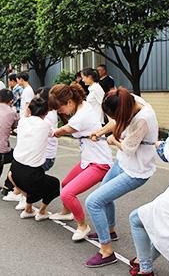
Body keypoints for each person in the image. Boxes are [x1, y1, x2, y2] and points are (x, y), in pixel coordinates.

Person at [84, 87, 158, 268]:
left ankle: (106, 251)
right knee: (104, 194)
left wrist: (113, 140)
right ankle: (110, 231)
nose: (115, 121)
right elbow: (116, 122)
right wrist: (100, 133)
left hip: (136, 171)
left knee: (93, 202)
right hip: (123, 163)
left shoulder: (142, 119)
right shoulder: (127, 99)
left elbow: (129, 149)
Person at [128, 85, 169, 276]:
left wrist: (161, 146)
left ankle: (145, 269)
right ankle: (142, 261)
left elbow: (167, 156)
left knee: (137, 219)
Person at [47, 84, 113, 241]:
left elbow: (65, 130)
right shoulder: (83, 106)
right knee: (66, 183)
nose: (60, 112)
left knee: (67, 193)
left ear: (69, 102)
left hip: (99, 162)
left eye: (60, 108)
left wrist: (51, 132)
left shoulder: (80, 116)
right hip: (88, 159)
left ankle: (83, 226)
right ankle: (67, 212)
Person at [9, 97, 60, 221]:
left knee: (37, 180)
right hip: (31, 176)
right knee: (54, 184)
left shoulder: (22, 121)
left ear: (29, 109)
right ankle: (42, 212)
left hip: (14, 171)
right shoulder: (46, 124)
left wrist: (27, 112)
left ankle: (28, 209)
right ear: (46, 113)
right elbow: (54, 133)